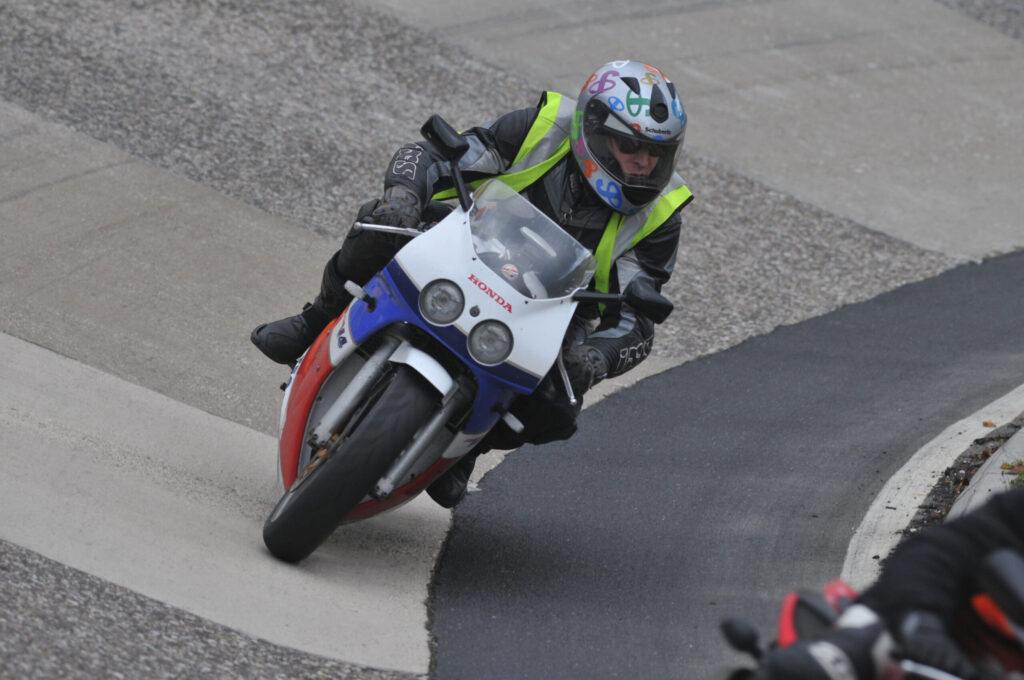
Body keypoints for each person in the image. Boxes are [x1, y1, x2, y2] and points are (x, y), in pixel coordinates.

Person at [251, 60, 694, 508]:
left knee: (560, 403)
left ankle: (469, 445)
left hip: (556, 307)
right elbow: (435, 154)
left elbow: (638, 317)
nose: (643, 163)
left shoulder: (660, 215)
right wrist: (403, 197)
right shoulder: (539, 127)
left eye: (657, 153)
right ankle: (314, 322)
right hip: (464, 242)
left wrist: (595, 358)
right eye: (629, 146)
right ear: (593, 130)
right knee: (380, 228)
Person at [751, 486, 1024, 679]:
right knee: (850, 652)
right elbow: (948, 547)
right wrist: (917, 621)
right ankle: (859, 638)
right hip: (960, 651)